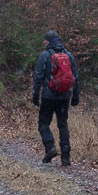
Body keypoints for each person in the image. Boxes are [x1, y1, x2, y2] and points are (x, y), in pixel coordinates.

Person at [31, 30, 79, 167]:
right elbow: (75, 77)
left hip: (48, 95)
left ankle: (50, 147)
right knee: (63, 124)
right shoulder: (69, 55)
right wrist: (75, 95)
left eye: (45, 40)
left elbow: (38, 77)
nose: (43, 42)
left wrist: (35, 96)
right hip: (64, 96)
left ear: (50, 41)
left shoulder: (44, 55)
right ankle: (66, 157)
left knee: (43, 124)